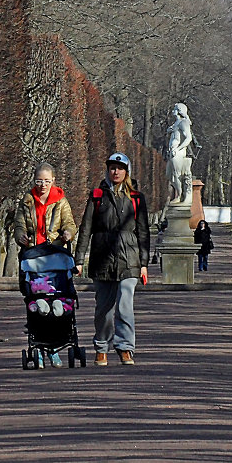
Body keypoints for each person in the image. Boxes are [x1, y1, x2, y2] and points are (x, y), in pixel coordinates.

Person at [73, 152, 150, 366]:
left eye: (120, 167)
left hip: (129, 259)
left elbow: (143, 232)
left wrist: (144, 264)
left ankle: (125, 347)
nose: (115, 171)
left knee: (125, 305)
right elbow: (85, 228)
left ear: (127, 171)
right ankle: (102, 346)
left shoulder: (136, 198)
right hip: (102, 258)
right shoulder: (97, 195)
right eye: (112, 167)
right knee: (104, 309)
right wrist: (79, 259)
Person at [14, 162, 77, 367]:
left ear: (53, 181)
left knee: (56, 299)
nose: (42, 185)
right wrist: (20, 235)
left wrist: (68, 233)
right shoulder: (26, 201)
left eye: (47, 181)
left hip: (54, 255)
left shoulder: (61, 201)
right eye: (39, 181)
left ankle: (53, 348)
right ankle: (40, 348)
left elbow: (69, 222)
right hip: (33, 257)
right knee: (37, 301)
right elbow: (19, 224)